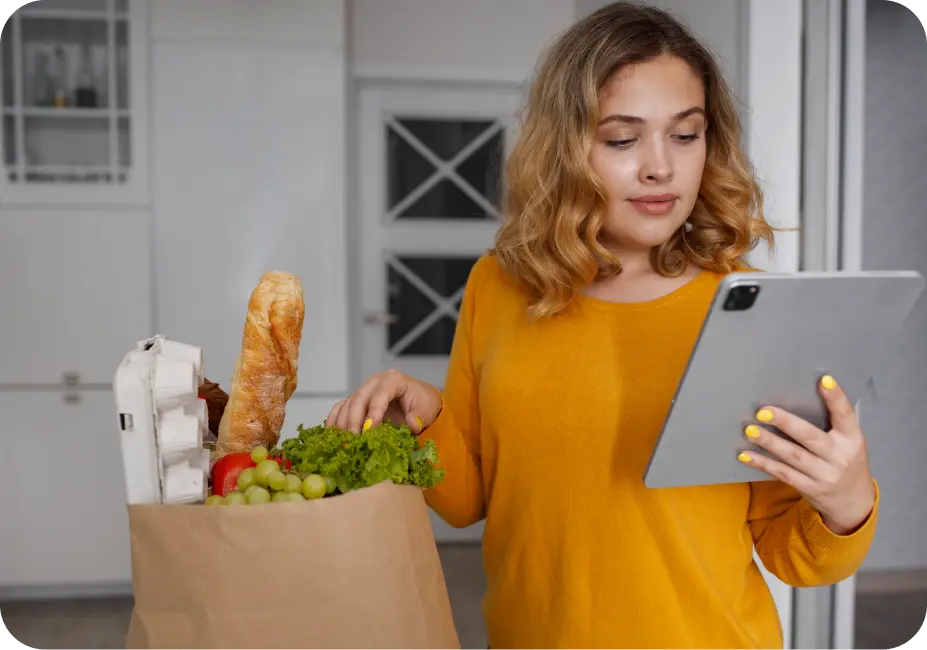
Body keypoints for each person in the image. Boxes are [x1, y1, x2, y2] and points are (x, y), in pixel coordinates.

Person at [327, 3, 879, 648]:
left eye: (685, 134)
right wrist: (422, 421)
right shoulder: (499, 287)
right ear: (564, 148)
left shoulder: (746, 308)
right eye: (622, 138)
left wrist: (847, 499)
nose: (660, 168)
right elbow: (467, 498)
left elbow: (795, 556)